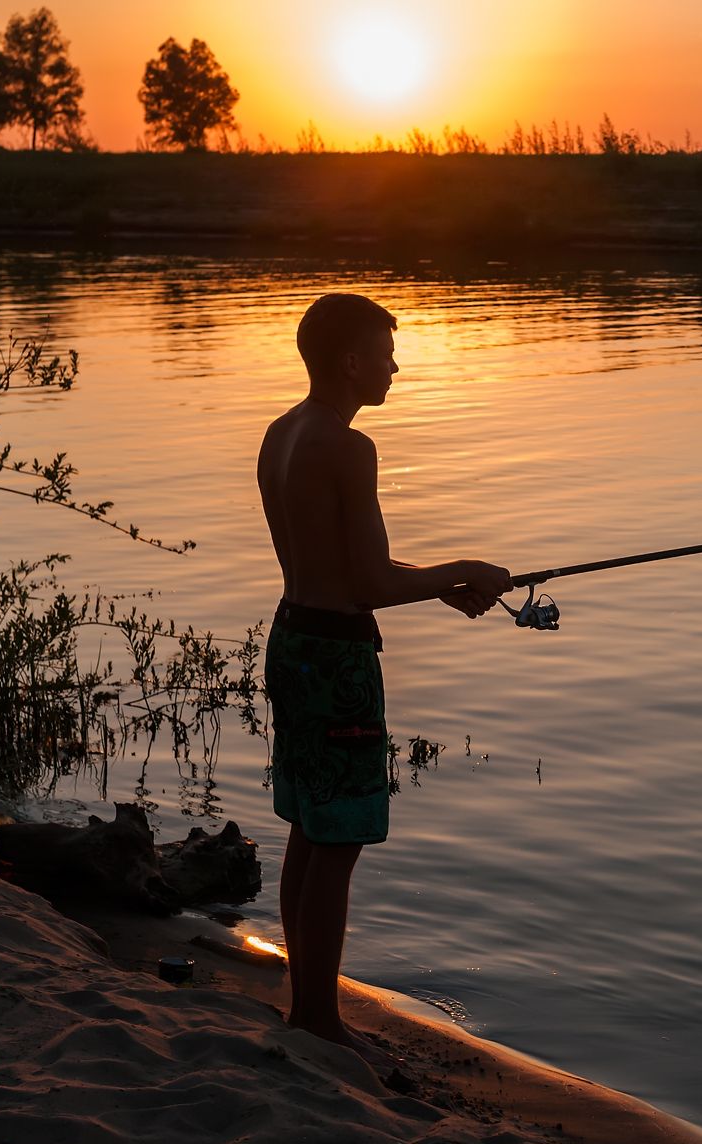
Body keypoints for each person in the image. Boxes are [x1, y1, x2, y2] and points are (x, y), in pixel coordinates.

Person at [257, 292, 510, 1065]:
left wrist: (441, 585)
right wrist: (463, 566)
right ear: (350, 361)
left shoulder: (282, 433)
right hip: (337, 661)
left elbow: (336, 568)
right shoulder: (347, 446)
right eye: (386, 354)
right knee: (337, 842)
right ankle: (319, 1020)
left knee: (310, 828)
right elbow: (367, 583)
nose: (395, 368)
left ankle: (306, 1006)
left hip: (292, 638)